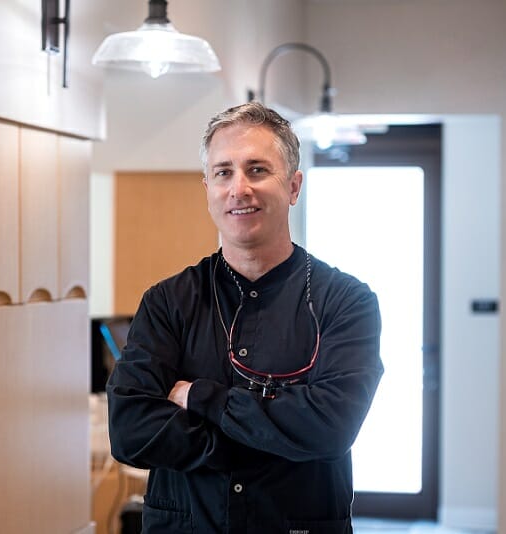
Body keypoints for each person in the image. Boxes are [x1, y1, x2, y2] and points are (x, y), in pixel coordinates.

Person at [106, 102, 383, 533]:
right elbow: (129, 430)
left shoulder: (346, 302)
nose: (239, 188)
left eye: (257, 170)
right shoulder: (167, 303)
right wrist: (275, 438)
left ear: (293, 187)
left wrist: (202, 399)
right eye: (223, 172)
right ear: (208, 188)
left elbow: (331, 427)